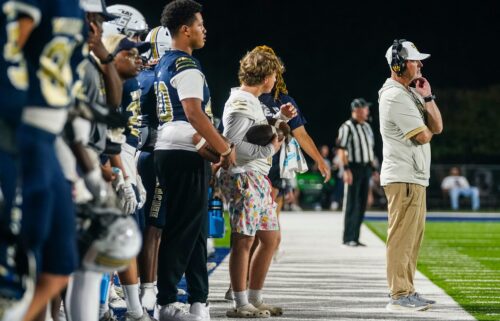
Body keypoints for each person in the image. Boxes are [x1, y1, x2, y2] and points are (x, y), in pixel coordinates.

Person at [154, 1, 235, 320]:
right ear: (185, 29)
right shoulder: (185, 64)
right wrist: (224, 149)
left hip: (174, 147)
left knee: (196, 229)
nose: (204, 30)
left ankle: (199, 300)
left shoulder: (165, 63)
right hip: (184, 149)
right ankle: (166, 301)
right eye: (200, 24)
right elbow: (192, 113)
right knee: (183, 230)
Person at [219, 49, 296, 318]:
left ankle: (254, 297)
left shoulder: (251, 100)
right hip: (244, 176)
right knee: (243, 240)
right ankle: (240, 303)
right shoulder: (241, 101)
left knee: (270, 239)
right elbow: (233, 148)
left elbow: (258, 137)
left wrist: (281, 121)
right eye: (274, 74)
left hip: (257, 177)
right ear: (265, 76)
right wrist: (270, 150)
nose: (275, 80)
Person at [379, 39, 443, 311]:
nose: (420, 64)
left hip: (414, 175)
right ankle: (398, 295)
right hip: (403, 175)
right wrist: (425, 119)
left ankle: (407, 290)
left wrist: (427, 97)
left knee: (412, 238)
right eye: (414, 60)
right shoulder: (394, 95)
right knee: (402, 237)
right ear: (398, 64)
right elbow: (423, 135)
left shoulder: (410, 93)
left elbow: (437, 127)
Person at [336, 98, 376, 247]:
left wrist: (373, 169)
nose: (367, 111)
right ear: (357, 110)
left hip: (365, 168)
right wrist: (346, 170)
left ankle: (356, 236)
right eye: (365, 109)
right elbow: (341, 149)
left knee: (362, 203)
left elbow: (369, 149)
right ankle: (348, 237)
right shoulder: (347, 127)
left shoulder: (366, 126)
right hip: (353, 167)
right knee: (351, 203)